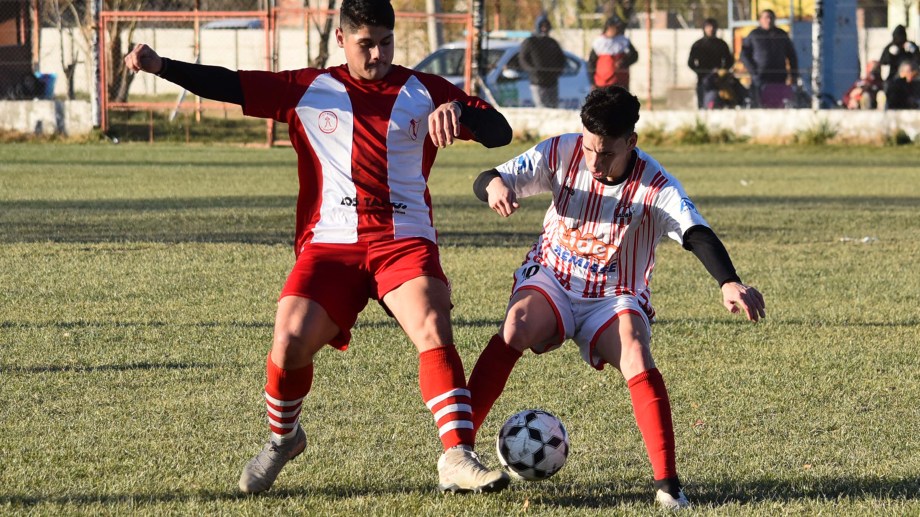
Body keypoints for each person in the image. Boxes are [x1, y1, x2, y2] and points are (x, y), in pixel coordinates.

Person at [124, 0, 514, 496]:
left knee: (432, 325)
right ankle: (284, 440)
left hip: (404, 241)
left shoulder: (426, 90)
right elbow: (230, 84)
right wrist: (162, 66)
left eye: (386, 43)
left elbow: (499, 131)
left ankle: (457, 455)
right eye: (366, 44)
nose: (378, 55)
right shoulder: (310, 89)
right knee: (288, 342)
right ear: (341, 39)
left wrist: (459, 110)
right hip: (331, 245)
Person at [465, 86, 766, 510]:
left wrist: (728, 281)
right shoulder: (561, 152)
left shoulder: (655, 185)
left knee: (636, 351)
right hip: (554, 277)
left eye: (606, 153)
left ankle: (668, 485)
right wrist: (494, 185)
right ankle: (459, 450)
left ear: (631, 142)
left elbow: (696, 232)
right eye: (589, 148)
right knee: (516, 326)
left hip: (614, 294)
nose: (593, 161)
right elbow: (487, 177)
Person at [740, 9, 798, 108]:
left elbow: (792, 55)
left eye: (771, 17)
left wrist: (794, 74)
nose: (769, 20)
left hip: (779, 76)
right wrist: (753, 71)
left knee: (778, 104)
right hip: (761, 77)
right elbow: (744, 54)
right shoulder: (754, 35)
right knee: (760, 104)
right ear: (760, 20)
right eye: (766, 17)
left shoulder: (781, 34)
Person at [518, 13, 567, 108]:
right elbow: (523, 59)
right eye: (542, 26)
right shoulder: (530, 42)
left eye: (546, 26)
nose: (544, 29)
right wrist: (533, 70)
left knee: (554, 109)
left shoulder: (552, 42)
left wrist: (557, 71)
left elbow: (562, 59)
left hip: (552, 83)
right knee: (542, 108)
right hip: (538, 83)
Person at [687, 18, 735, 109]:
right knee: (702, 105)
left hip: (719, 80)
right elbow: (690, 63)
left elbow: (729, 61)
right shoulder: (698, 45)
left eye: (713, 27)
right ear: (704, 28)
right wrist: (700, 72)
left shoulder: (721, 44)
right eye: (708, 27)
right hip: (703, 80)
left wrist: (722, 71)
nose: (711, 29)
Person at [588, 15, 639, 90]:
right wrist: (592, 82)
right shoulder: (599, 42)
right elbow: (591, 63)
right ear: (608, 28)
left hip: (621, 82)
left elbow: (634, 56)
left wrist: (624, 62)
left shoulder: (623, 40)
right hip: (602, 83)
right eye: (615, 27)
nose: (617, 30)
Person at [879, 25, 919, 89]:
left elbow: (918, 60)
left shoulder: (910, 45)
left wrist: (914, 51)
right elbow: (883, 62)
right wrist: (890, 54)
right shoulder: (890, 47)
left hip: (911, 77)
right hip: (894, 76)